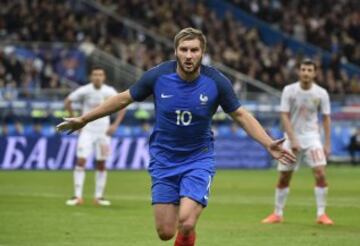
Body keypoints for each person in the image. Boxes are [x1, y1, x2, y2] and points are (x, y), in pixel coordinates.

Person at [57, 28, 295, 245]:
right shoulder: (158, 76)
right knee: (165, 232)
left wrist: (267, 143)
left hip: (198, 159)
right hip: (164, 159)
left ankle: (188, 229)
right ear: (176, 52)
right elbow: (123, 98)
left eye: (194, 50)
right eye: (184, 50)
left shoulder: (217, 82)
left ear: (203, 53)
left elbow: (241, 115)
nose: (189, 55)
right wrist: (84, 119)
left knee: (187, 220)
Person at [262, 59, 334, 225]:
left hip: (312, 138)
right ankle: (277, 214)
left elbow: (326, 118)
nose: (306, 73)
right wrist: (292, 139)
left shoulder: (321, 93)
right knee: (284, 177)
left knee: (320, 174)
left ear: (315, 73)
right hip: (290, 137)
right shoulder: (289, 90)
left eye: (309, 70)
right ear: (299, 71)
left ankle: (321, 214)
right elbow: (284, 115)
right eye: (303, 69)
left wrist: (327, 143)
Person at [64, 67, 126, 206]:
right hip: (87, 131)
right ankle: (77, 196)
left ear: (104, 77)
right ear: (91, 77)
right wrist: (74, 120)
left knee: (102, 164)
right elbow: (68, 101)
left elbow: (123, 105)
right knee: (81, 161)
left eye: (100, 74)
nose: (98, 77)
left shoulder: (109, 91)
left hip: (103, 133)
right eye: (95, 74)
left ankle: (98, 197)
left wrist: (115, 125)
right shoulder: (85, 90)